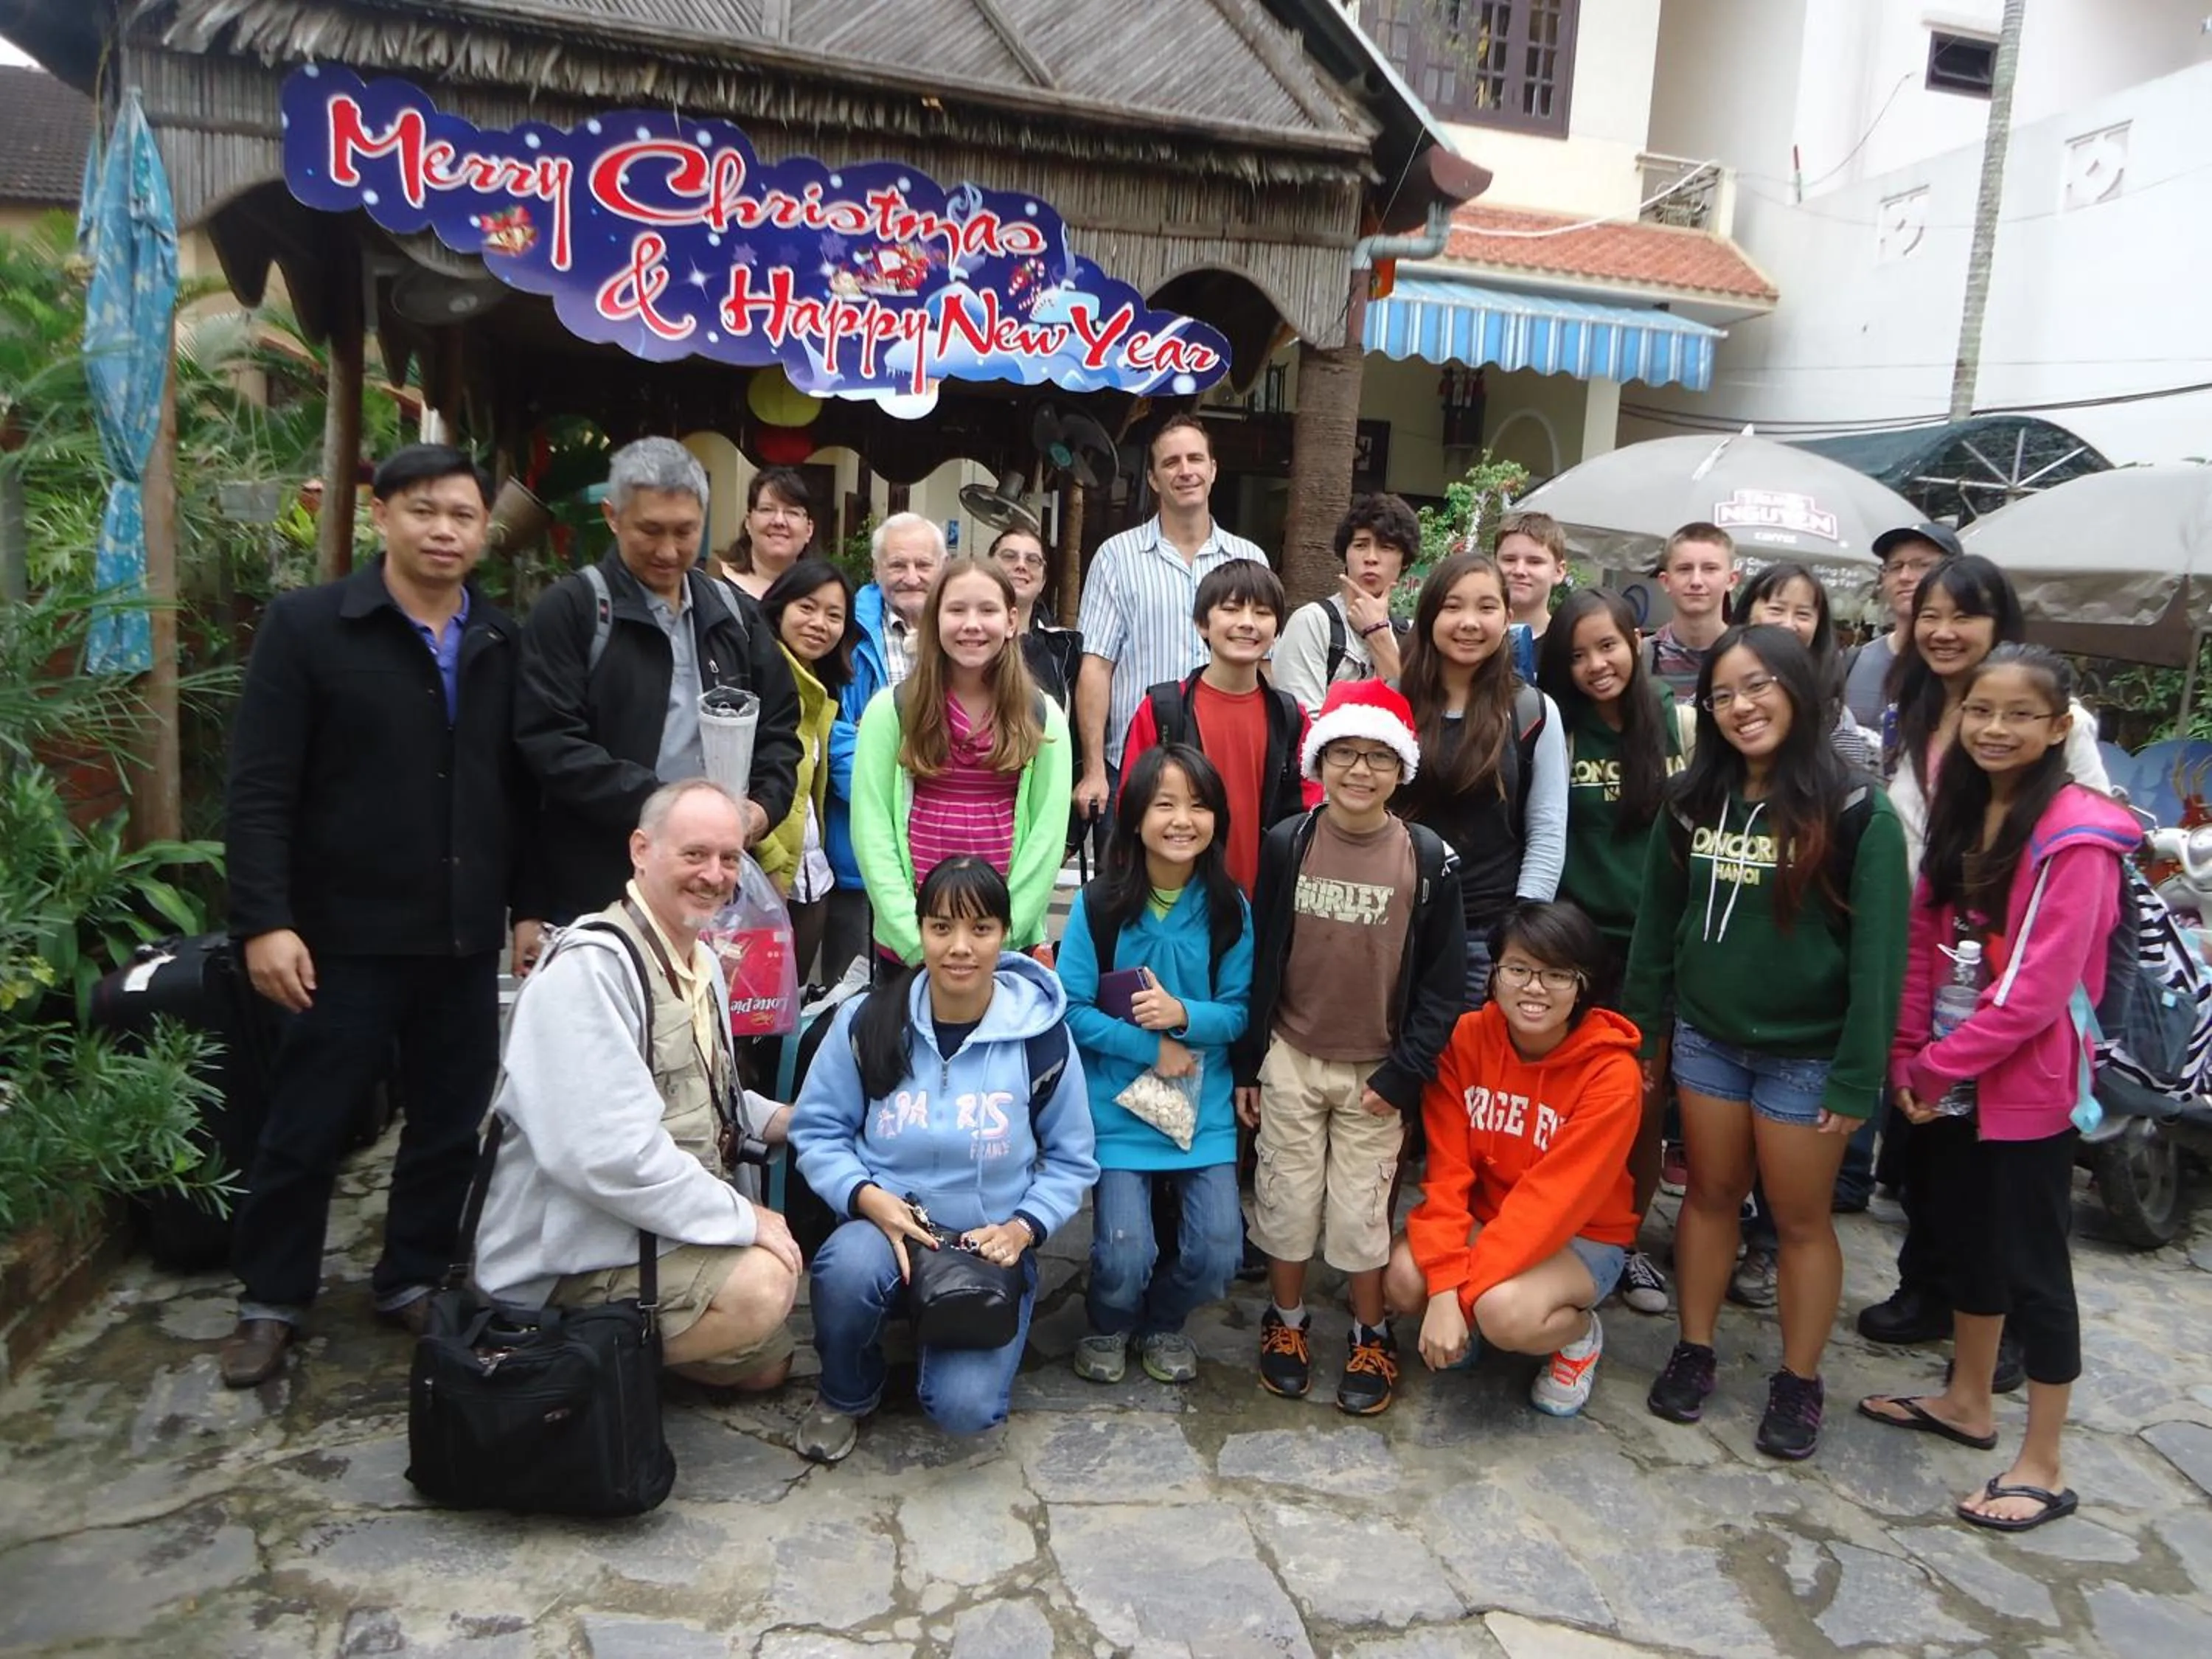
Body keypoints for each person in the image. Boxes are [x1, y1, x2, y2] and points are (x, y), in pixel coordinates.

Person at [219, 445, 546, 1386]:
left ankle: (411, 1276)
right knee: (307, 1121)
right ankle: (271, 1298)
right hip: (339, 935)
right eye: (423, 511)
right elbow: (260, 788)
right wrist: (264, 920)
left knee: (448, 1121)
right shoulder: (311, 627)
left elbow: (521, 793)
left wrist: (528, 910)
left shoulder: (500, 639)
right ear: (382, 515)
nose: (443, 531)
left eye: (462, 516)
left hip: (461, 933)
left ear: (484, 530)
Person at [1858, 646, 2129, 1532]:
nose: (1996, 729)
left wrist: (1936, 1065)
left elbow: (2038, 991)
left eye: (2019, 715)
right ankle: (1967, 1401)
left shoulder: (2077, 834)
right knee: (1964, 1234)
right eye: (1981, 711)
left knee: (2034, 1266)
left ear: (2059, 727)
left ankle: (2043, 1462)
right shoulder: (1963, 809)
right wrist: (1908, 1053)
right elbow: (1922, 938)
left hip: (2027, 1085)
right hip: (1946, 1071)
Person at [1624, 625, 1909, 1460]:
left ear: (1797, 690)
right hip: (1708, 1041)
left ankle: (1798, 1379)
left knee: (1800, 1219)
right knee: (1710, 1197)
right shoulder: (1690, 801)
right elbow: (1655, 930)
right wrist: (1643, 1035)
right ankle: (1694, 1348)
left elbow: (1880, 961)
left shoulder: (1857, 810)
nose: (1741, 707)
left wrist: (1857, 1079)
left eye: (1758, 686)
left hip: (1808, 1056)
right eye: (1722, 695)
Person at [1858, 554, 2109, 1377]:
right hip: (1929, 954)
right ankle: (1934, 1291)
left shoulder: (2057, 730)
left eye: (1963, 615)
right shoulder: (1915, 711)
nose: (1943, 630)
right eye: (1929, 614)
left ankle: (2008, 1334)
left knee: (2011, 1183)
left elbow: (2085, 832)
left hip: (2013, 975)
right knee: (1933, 1155)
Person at [472, 779, 803, 1389]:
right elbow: (609, 1156)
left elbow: (708, 1102)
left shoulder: (701, 963)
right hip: (570, 1256)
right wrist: (744, 1218)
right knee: (763, 1289)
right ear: (641, 850)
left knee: (768, 1366)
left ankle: (620, 1350)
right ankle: (546, 1369)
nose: (715, 875)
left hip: (648, 1231)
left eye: (730, 858)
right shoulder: (588, 972)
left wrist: (799, 1120)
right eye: (694, 854)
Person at [788, 857, 1099, 1461]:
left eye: (980, 929)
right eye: (941, 927)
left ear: (1005, 934)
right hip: (887, 1229)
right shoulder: (868, 1021)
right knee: (847, 1269)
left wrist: (1022, 1228)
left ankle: (951, 1325)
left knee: (965, 1410)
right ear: (920, 931)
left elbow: (1072, 1158)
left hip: (986, 1245)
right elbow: (818, 1130)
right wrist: (866, 1197)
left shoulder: (1042, 1037)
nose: (960, 947)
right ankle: (846, 1391)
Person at [1232, 680, 1466, 1416]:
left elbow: (1444, 982)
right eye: (1344, 754)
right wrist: (1250, 1063)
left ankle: (1371, 1331)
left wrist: (1405, 1074)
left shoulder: (1426, 857)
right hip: (1292, 1053)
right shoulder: (1289, 842)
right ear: (1319, 761)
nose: (1360, 771)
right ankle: (1287, 1318)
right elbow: (1261, 957)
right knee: (1285, 1200)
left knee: (1364, 1214)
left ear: (1402, 769)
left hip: (1377, 1067)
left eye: (1378, 757)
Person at [515, 437, 801, 925]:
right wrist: (671, 810)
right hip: (600, 885)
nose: (668, 551)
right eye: (650, 530)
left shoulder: (732, 614)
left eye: (685, 531)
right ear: (613, 516)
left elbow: (779, 726)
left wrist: (761, 807)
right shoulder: (574, 611)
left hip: (712, 887)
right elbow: (551, 744)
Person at [1384, 901, 1643, 1417]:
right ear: (1494, 972)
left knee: (1503, 1312)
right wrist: (1442, 1286)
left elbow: (1552, 1203)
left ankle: (1577, 1335)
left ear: (1583, 985)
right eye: (1518, 969)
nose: (1534, 988)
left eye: (1557, 975)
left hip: (1580, 1236)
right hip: (1487, 1218)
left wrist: (1456, 1300)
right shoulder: (1464, 1039)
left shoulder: (1611, 1074)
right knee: (1404, 1280)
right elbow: (1447, 1173)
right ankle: (1473, 1317)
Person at [1060, 745, 1253, 1385]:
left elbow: (1239, 1012)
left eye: (1198, 805)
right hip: (1119, 1108)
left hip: (1203, 1110)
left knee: (1219, 1249)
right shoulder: (1099, 906)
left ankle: (1164, 1320)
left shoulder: (1229, 909)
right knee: (1124, 1251)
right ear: (1136, 815)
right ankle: (1110, 1321)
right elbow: (1073, 1010)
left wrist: (1182, 1015)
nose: (1182, 820)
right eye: (1165, 804)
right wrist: (1153, 1047)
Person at [1535, 588, 1682, 1317]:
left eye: (1609, 646)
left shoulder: (1677, 720)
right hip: (1578, 946)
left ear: (1636, 642)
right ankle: (1556, 1231)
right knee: (1564, 1103)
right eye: (1578, 654)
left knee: (1642, 1105)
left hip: (1656, 948)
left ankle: (1622, 1245)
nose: (1597, 665)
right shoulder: (1557, 727)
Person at [849, 557, 1073, 967]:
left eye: (987, 610)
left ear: (1011, 621)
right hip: (908, 947)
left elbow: (1047, 835)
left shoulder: (1043, 717)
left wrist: (1000, 937)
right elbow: (871, 829)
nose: (972, 624)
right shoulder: (891, 712)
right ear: (934, 619)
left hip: (1005, 947)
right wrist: (915, 941)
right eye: (956, 610)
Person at [1393, 550, 1568, 1004]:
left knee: (1470, 1048)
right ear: (1429, 616)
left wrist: (1520, 932)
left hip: (1485, 934)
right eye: (1452, 606)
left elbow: (1547, 830)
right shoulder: (1390, 703)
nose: (1469, 622)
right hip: (1393, 922)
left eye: (1486, 607)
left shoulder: (1532, 710)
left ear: (1507, 618)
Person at [1073, 414, 1266, 824]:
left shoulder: (1249, 559)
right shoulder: (1116, 558)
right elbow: (1096, 667)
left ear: (1213, 470)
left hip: (1225, 767)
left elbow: (1264, 665)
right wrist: (1093, 771)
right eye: (1171, 462)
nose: (1185, 471)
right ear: (1154, 479)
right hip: (1135, 767)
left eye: (1195, 459)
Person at [1119, 560, 1318, 896]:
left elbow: (1307, 813)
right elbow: (1131, 806)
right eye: (1231, 609)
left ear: (1277, 629)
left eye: (1262, 612)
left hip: (1262, 899)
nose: (1247, 623)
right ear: (1202, 623)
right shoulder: (1162, 709)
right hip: (1174, 897)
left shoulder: (1290, 717)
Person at [822, 512, 945, 983]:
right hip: (861, 845)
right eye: (897, 565)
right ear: (875, 570)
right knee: (852, 992)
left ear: (942, 566)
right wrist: (908, 788)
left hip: (945, 845)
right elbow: (834, 736)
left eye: (923, 565)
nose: (911, 577)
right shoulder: (845, 632)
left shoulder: (962, 629)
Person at [754, 557, 857, 978]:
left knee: (788, 1004)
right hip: (767, 877)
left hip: (811, 875)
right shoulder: (757, 677)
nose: (819, 624)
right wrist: (770, 860)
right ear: (779, 608)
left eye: (834, 615)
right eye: (807, 608)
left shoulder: (818, 687)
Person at [991, 524, 1090, 852]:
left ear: (1044, 580)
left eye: (1033, 560)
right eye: (1010, 556)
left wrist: (1070, 832)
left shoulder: (1066, 651)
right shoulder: (965, 642)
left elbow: (1076, 741)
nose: (1022, 565)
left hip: (1040, 815)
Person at [1272, 494, 1416, 712]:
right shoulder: (1312, 623)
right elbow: (1304, 722)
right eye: (1360, 545)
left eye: (1386, 547)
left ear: (1404, 562)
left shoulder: (1410, 635)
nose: (1371, 558)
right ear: (1345, 554)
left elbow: (1414, 721)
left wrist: (1379, 635)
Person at [1734, 561, 1881, 771]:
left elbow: (1846, 783)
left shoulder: (1833, 716)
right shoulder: (1719, 689)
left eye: (1803, 614)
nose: (1788, 624)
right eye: (1776, 610)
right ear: (1747, 614)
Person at [1843, 522, 1961, 732]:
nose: (1905, 577)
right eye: (1896, 567)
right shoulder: (1853, 662)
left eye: (1922, 565)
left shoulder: (1969, 668)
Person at [1643, 524, 1739, 703]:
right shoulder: (1641, 659)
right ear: (1665, 582)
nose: (1696, 581)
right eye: (1684, 569)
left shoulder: (1750, 658)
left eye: (1710, 569)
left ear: (1731, 580)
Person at [717, 466, 815, 601]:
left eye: (792, 512)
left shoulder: (823, 595)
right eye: (767, 510)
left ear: (809, 530)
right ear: (748, 523)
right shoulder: (711, 585)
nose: (779, 521)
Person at [1495, 510, 1570, 684]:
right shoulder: (1474, 640)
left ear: (1559, 571)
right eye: (1509, 560)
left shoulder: (1569, 645)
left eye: (1535, 562)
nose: (1519, 571)